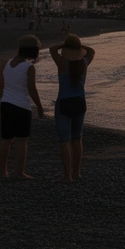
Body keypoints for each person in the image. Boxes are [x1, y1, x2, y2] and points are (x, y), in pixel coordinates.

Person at [0, 36, 46, 179]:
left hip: (6, 104)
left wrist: (5, 98)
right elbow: (32, 89)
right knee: (22, 140)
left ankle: (3, 171)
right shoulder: (29, 67)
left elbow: (0, 86)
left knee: (6, 139)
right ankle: (19, 172)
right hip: (22, 107)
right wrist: (40, 107)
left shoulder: (5, 63)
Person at [49, 34, 94, 182]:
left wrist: (63, 45)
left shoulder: (62, 63)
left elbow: (52, 49)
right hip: (80, 102)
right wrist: (80, 47)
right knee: (77, 139)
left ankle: (67, 175)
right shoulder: (84, 63)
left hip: (64, 102)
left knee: (64, 140)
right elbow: (92, 51)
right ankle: (77, 172)